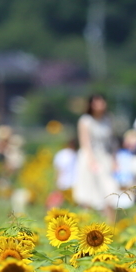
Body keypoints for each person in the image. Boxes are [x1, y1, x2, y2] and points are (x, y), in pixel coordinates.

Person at [73, 93, 120, 222]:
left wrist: (115, 160)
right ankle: (85, 222)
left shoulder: (108, 119)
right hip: (89, 157)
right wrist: (91, 160)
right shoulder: (85, 120)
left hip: (105, 157)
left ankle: (110, 223)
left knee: (109, 190)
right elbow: (85, 142)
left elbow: (113, 142)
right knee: (88, 190)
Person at [49, 137, 78, 208]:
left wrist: (56, 183)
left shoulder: (61, 154)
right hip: (73, 184)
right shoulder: (76, 154)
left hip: (63, 183)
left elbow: (58, 170)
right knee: (72, 205)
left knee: (61, 205)